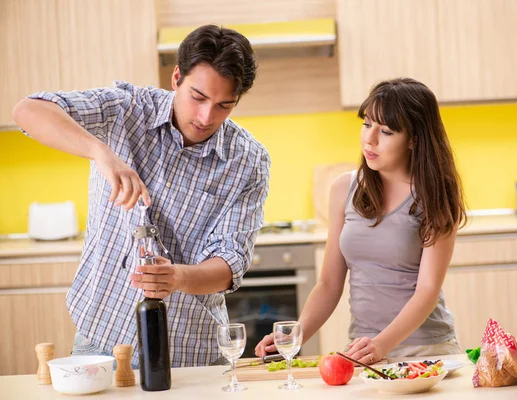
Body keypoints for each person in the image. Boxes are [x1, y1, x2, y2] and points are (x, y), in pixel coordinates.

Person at [12, 25, 270, 367]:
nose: (206, 117)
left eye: (224, 105)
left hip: (190, 350)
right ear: (177, 77)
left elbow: (229, 264)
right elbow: (28, 111)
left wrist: (177, 277)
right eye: (198, 97)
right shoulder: (126, 108)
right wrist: (100, 152)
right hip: (101, 337)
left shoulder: (248, 159)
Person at [255, 78, 466, 364]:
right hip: (364, 349)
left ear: (415, 139)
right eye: (367, 124)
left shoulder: (435, 195)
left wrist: (382, 344)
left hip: (426, 350)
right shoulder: (344, 188)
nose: (370, 139)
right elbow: (329, 283)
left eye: (387, 131)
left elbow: (427, 290)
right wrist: (295, 336)